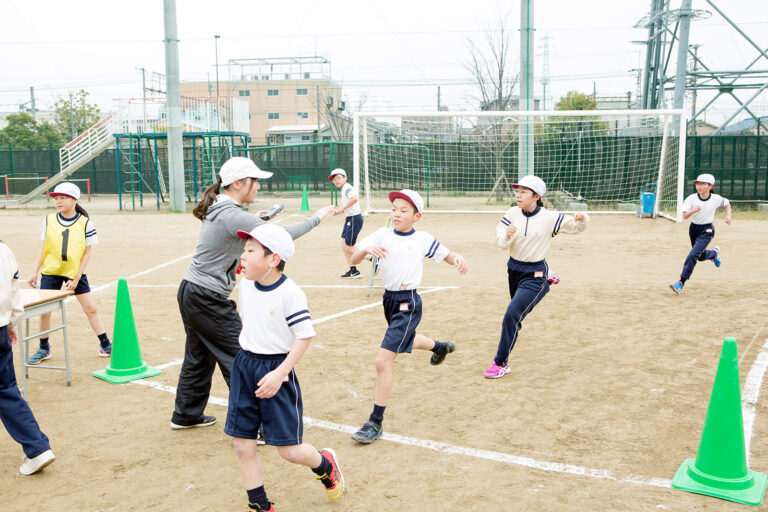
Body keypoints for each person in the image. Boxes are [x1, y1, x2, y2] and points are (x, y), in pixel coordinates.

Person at [171, 157, 333, 431]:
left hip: (192, 291)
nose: (257, 186)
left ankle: (185, 414)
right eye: (254, 181)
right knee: (244, 355)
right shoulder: (231, 213)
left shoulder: (224, 208)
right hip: (206, 296)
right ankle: (254, 423)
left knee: (198, 355)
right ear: (237, 183)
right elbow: (280, 236)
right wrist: (317, 217)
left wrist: (256, 222)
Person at [225, 224, 344, 511]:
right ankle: (260, 504)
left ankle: (325, 464)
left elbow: (305, 335)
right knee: (242, 445)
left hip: (277, 369)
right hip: (245, 365)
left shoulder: (290, 293)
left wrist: (280, 374)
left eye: (250, 251)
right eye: (244, 250)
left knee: (288, 451)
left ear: (273, 259)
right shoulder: (247, 284)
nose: (243, 256)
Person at [349, 189, 467, 444]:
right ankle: (440, 347)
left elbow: (447, 256)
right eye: (394, 209)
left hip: (408, 303)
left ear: (417, 216)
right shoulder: (382, 234)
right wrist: (367, 249)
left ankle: (375, 422)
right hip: (389, 301)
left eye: (404, 210)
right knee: (405, 341)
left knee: (383, 361)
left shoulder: (423, 239)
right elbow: (353, 257)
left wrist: (457, 258)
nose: (397, 214)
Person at [486, 175, 588, 379]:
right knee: (516, 314)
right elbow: (500, 242)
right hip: (514, 269)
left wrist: (582, 218)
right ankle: (549, 277)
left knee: (512, 315)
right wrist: (506, 235)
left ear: (536, 196)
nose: (518, 195)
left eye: (524, 192)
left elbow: (576, 228)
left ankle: (501, 363)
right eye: (517, 191)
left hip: (535, 273)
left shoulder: (549, 217)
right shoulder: (512, 213)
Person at [26, 182, 111, 364]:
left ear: (74, 200)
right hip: (51, 272)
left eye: (63, 198)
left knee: (91, 308)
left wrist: (75, 278)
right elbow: (44, 248)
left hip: (74, 272)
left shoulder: (85, 223)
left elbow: (87, 253)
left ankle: (105, 343)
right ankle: (44, 347)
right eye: (56, 198)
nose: (58, 201)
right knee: (45, 313)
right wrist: (34, 272)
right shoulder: (48, 220)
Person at [0, 240, 56, 475]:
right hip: (0, 327)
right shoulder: (4, 250)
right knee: (6, 391)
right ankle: (37, 447)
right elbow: (13, 293)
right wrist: (10, 322)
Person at [669, 173, 732, 295]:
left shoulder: (716, 198)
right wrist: (693, 210)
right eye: (698, 183)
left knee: (692, 255)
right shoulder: (692, 198)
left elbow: (727, 203)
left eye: (703, 184)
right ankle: (713, 254)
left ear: (710, 186)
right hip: (694, 229)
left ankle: (680, 283)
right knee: (700, 256)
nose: (699, 186)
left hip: (707, 230)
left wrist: (728, 216)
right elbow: (685, 216)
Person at [329, 168, 364, 278]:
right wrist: (340, 211)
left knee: (348, 246)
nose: (337, 181)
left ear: (345, 178)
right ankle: (353, 271)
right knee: (344, 245)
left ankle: (372, 259)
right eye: (334, 179)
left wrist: (341, 208)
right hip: (350, 218)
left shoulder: (347, 187)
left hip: (354, 219)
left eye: (339, 177)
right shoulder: (344, 188)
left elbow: (355, 198)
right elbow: (351, 203)